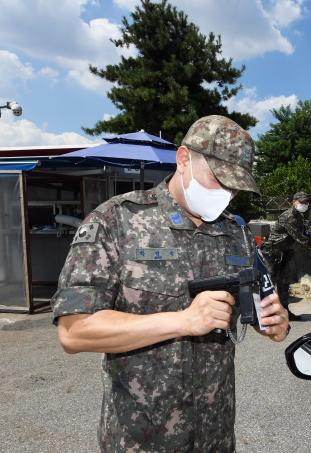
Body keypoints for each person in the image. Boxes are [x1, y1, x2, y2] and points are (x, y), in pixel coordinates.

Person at [51, 115, 289, 453]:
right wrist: (183, 321)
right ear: (183, 159)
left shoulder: (236, 233)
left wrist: (277, 323)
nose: (224, 192)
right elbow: (74, 332)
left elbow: (266, 299)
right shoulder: (116, 221)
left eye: (234, 186)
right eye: (218, 178)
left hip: (216, 439)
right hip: (140, 442)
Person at [262, 192, 311, 321]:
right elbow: (299, 238)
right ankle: (262, 313)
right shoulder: (289, 216)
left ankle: (285, 312)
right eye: (301, 202)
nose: (304, 205)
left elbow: (308, 233)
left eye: (306, 202)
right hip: (273, 252)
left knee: (284, 282)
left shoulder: (300, 216)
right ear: (294, 202)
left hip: (286, 251)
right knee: (269, 282)